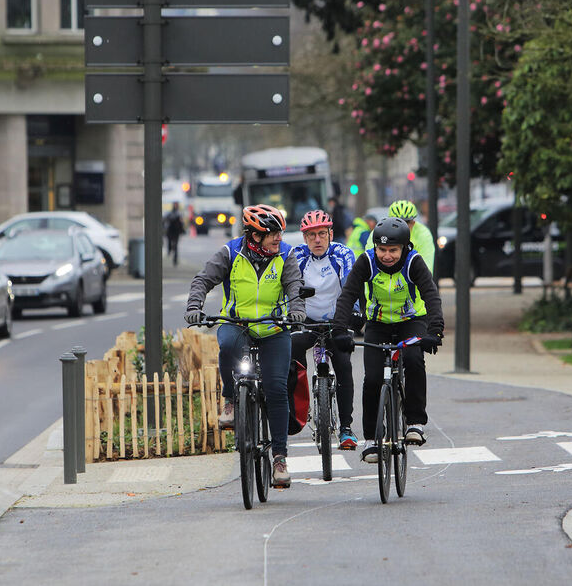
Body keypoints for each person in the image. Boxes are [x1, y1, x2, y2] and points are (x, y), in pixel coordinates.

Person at [184, 204, 306, 488]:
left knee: (276, 389)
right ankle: (230, 400)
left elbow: (295, 287)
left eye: (280, 232)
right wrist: (194, 305)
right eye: (272, 233)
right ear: (254, 234)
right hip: (237, 324)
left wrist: (297, 310)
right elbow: (203, 279)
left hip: (274, 328)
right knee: (226, 345)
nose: (279, 238)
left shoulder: (286, 255)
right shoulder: (230, 252)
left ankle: (279, 458)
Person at [331, 216, 444, 463]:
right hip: (378, 324)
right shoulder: (366, 262)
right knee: (372, 378)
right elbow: (348, 294)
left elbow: (431, 295)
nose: (387, 255)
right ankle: (371, 440)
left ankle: (415, 422)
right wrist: (340, 329)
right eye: (382, 249)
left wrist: (434, 331)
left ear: (404, 247)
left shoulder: (414, 262)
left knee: (414, 360)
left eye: (393, 250)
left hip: (410, 321)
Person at [290, 210, 360, 450]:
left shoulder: (342, 254)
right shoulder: (297, 256)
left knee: (343, 362)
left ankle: (346, 428)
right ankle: (299, 409)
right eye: (311, 235)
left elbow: (351, 285)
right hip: (306, 319)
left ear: (330, 233)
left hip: (336, 320)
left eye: (321, 234)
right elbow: (288, 289)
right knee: (291, 354)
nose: (317, 240)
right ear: (304, 238)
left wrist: (354, 314)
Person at [389, 200, 437, 273]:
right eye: (397, 221)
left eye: (407, 222)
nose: (402, 225)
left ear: (413, 223)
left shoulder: (423, 234)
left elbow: (426, 268)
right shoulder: (378, 232)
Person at [164, 202, 186, 266]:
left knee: (175, 246)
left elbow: (181, 223)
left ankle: (175, 260)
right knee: (170, 244)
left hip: (176, 232)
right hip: (170, 231)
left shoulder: (178, 214)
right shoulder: (171, 213)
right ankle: (170, 251)